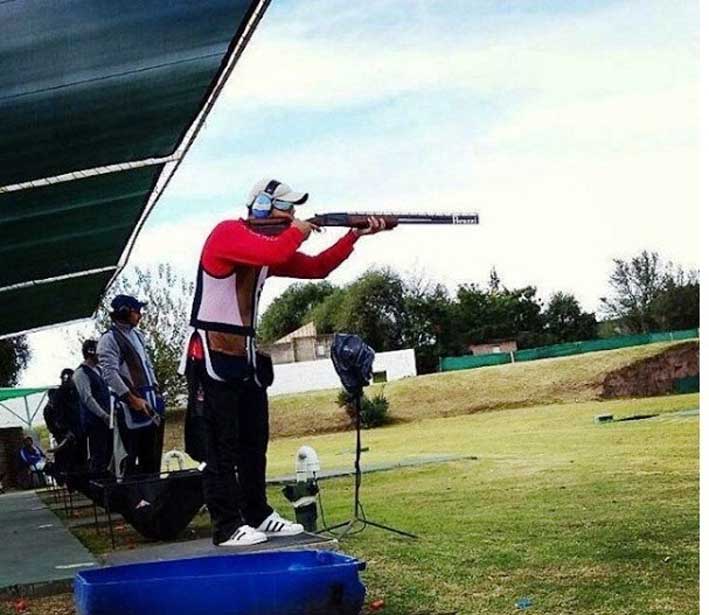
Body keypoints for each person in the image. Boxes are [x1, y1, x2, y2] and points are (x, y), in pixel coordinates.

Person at [181, 178, 389, 547]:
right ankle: (227, 526)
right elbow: (277, 254)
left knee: (253, 441)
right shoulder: (227, 233)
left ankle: (256, 513)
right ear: (261, 206)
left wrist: (352, 237)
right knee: (220, 446)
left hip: (244, 354)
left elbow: (317, 268)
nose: (292, 214)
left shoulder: (265, 247)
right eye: (285, 207)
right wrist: (298, 231)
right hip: (212, 352)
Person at [98, 295, 165, 477]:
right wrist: (131, 398)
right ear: (125, 312)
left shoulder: (138, 336)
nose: (140, 315)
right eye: (136, 311)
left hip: (150, 403)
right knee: (131, 462)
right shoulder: (109, 339)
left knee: (151, 460)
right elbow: (110, 374)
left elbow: (147, 366)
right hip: (129, 407)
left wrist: (157, 392)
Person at [73, 339, 112, 475]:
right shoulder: (80, 373)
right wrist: (103, 415)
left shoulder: (99, 371)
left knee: (109, 453)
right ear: (91, 352)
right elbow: (87, 398)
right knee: (98, 455)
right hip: (95, 422)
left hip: (107, 420)